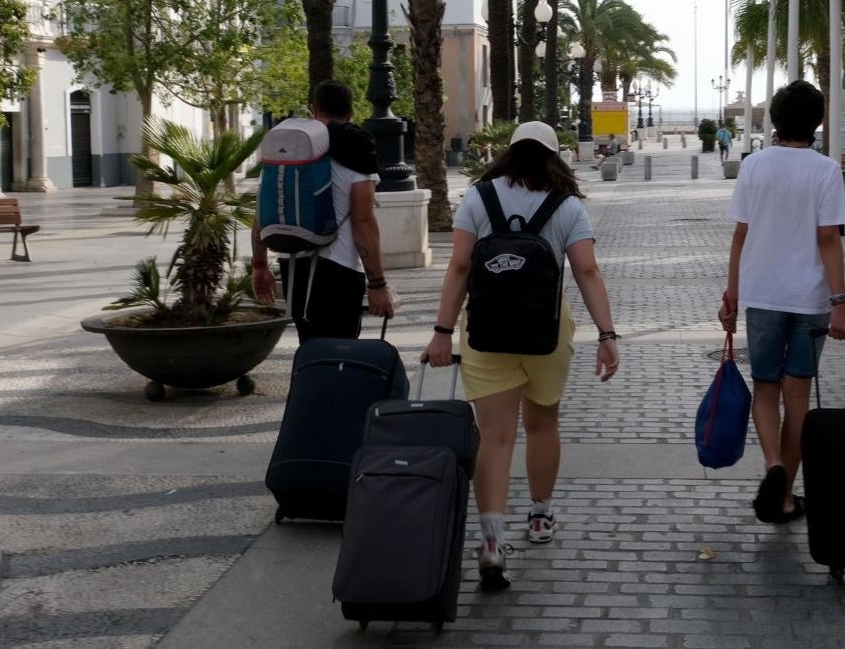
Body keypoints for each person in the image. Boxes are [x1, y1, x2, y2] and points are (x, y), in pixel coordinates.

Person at [423, 121, 619, 591]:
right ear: (554, 157)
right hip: (547, 332)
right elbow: (587, 270)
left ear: (509, 154)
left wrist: (441, 333)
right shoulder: (567, 205)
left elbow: (460, 266)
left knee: (495, 438)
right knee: (543, 424)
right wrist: (607, 334)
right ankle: (539, 515)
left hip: (486, 331)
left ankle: (492, 539)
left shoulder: (477, 197)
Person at [718, 80, 845, 525]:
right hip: (810, 298)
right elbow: (828, 238)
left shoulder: (754, 167)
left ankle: (774, 466)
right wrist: (840, 304)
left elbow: (740, 236)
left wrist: (732, 296)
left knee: (765, 389)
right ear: (816, 121)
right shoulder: (826, 170)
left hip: (762, 295)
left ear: (775, 119)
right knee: (798, 396)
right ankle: (786, 497)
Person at [252, 80, 396, 342]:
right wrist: (377, 285)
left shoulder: (287, 150)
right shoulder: (356, 148)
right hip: (339, 269)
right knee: (339, 357)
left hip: (293, 263)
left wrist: (259, 264)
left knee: (310, 350)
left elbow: (261, 208)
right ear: (350, 113)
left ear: (312, 110)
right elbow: (363, 222)